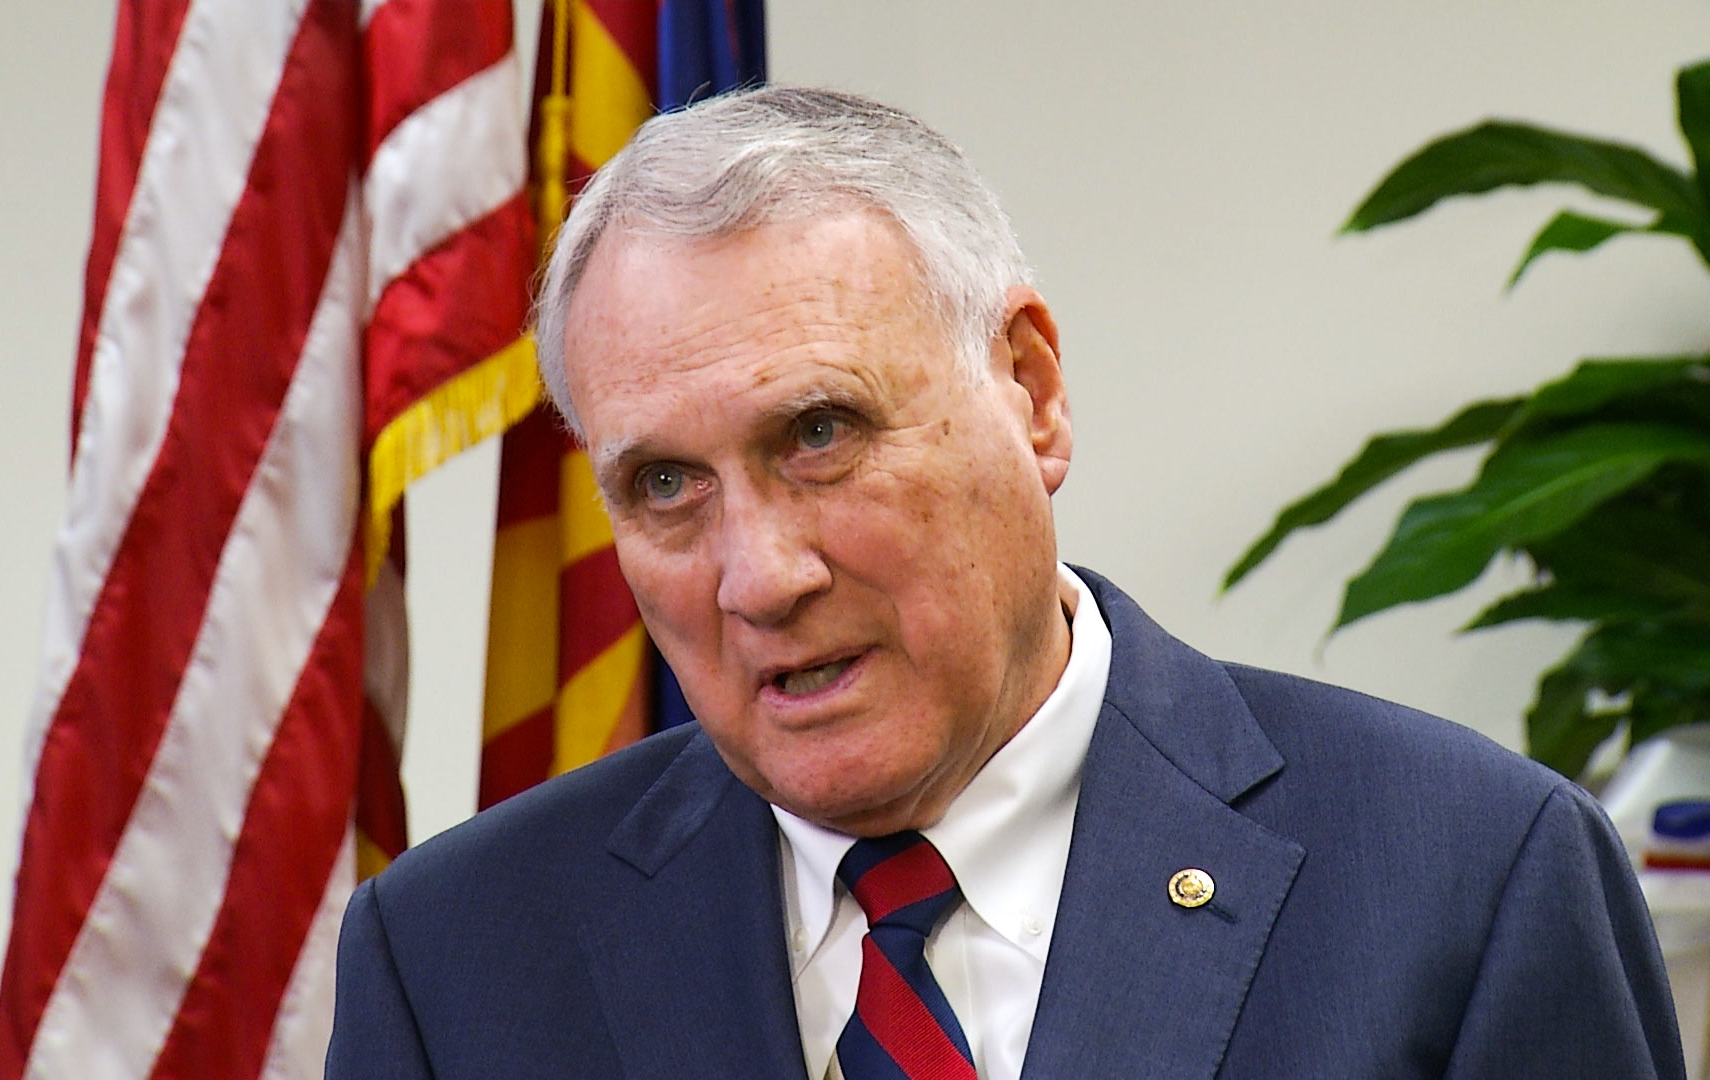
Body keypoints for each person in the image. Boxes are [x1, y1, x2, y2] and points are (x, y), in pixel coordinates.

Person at [325, 86, 1685, 1079]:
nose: (758, 576)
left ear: (1031, 394)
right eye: (666, 487)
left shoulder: (1467, 879)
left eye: (819, 436)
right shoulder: (458, 955)